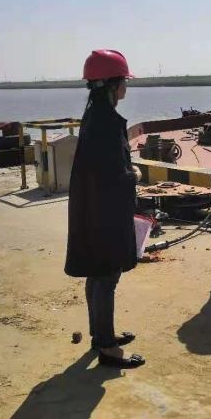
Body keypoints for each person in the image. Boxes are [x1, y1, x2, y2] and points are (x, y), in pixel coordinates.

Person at [65, 49, 145, 368]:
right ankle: (107, 348)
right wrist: (134, 175)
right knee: (106, 275)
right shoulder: (107, 121)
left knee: (97, 273)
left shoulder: (94, 115)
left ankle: (100, 335)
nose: (126, 85)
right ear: (111, 84)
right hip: (105, 210)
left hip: (93, 207)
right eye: (123, 80)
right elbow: (112, 173)